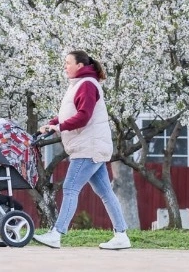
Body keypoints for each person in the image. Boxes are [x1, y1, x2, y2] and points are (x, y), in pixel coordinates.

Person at [32, 50, 131, 250]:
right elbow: (69, 113)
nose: (65, 66)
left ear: (79, 65)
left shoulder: (86, 85)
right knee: (105, 192)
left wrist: (58, 128)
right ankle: (121, 235)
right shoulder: (79, 84)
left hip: (89, 147)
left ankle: (56, 234)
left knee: (70, 188)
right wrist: (51, 124)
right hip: (90, 146)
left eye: (68, 62)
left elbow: (84, 116)